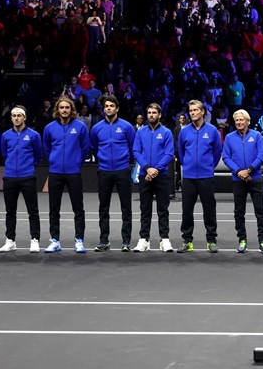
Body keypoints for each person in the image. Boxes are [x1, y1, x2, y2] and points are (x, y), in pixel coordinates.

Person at [42, 96, 90, 253]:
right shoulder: (49, 128)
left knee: (78, 208)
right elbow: (47, 148)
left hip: (73, 172)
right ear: (57, 110)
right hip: (55, 172)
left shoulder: (81, 127)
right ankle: (55, 240)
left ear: (72, 110)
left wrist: (76, 162)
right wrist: (54, 161)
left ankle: (79, 240)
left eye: (67, 108)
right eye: (61, 108)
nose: (64, 110)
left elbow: (85, 148)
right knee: (53, 209)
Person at [176, 99, 223, 253]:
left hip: (206, 176)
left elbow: (217, 153)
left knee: (209, 209)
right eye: (191, 111)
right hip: (189, 177)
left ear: (203, 112)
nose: (193, 113)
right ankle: (187, 241)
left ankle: (211, 240)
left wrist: (209, 166)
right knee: (187, 210)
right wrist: (187, 166)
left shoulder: (212, 130)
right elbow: (181, 153)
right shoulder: (184, 131)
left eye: (196, 110)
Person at [90, 94, 136, 252]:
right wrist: (103, 160)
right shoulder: (96, 128)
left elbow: (132, 147)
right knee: (103, 207)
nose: (108, 108)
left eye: (111, 106)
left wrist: (125, 161)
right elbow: (94, 148)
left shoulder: (126, 126)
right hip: (104, 171)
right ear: (103, 109)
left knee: (126, 207)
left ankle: (126, 241)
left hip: (122, 170)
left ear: (117, 108)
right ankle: (104, 241)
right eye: (106, 106)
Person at [222, 109, 263, 254]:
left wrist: (248, 170)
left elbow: (261, 155)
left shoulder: (257, 136)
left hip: (254, 179)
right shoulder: (230, 138)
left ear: (247, 121)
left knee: (260, 211)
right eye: (236, 120)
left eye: (241, 120)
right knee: (239, 212)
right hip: (238, 180)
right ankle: (242, 240)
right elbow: (226, 157)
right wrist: (239, 172)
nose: (238, 122)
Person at [132, 103, 175, 252]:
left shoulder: (167, 132)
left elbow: (169, 154)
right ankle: (144, 239)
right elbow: (136, 151)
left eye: (154, 113)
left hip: (161, 176)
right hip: (145, 175)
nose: (151, 115)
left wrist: (155, 169)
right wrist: (147, 168)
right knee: (145, 209)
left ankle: (165, 239)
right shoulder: (140, 132)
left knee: (163, 209)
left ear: (160, 115)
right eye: (149, 112)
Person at [0, 105, 44, 252]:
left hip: (27, 177)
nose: (17, 118)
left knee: (33, 210)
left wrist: (28, 166)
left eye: (19, 116)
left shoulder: (34, 135)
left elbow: (38, 155)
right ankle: (10, 240)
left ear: (24, 117)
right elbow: (5, 154)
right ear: (11, 118)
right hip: (10, 177)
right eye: (14, 116)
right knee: (10, 211)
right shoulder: (6, 135)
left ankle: (35, 239)